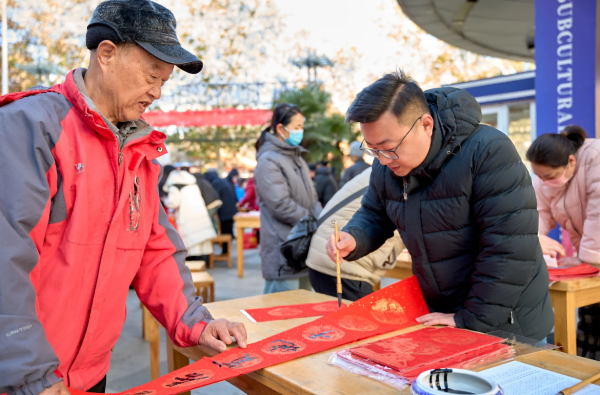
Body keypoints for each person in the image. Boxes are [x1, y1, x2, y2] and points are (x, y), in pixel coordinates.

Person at [0, 1, 247, 393]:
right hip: (24, 377)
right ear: (107, 53)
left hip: (88, 373)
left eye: (164, 81)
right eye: (153, 75)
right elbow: (4, 261)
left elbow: (155, 251)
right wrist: (30, 375)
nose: (157, 92)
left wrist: (196, 322)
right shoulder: (31, 127)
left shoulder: (139, 151)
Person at [326, 70, 553, 341]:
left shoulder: (487, 151)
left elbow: (508, 249)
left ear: (426, 124)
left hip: (507, 320)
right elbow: (375, 213)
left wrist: (470, 319)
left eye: (389, 147)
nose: (383, 160)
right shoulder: (386, 166)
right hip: (443, 314)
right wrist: (354, 237)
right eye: (372, 150)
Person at [527, 125, 600, 358]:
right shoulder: (543, 179)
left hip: (592, 256)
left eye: (548, 176)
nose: (543, 181)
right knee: (590, 324)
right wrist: (534, 239)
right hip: (591, 258)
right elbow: (538, 213)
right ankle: (585, 378)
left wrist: (587, 261)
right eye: (538, 176)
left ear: (571, 161)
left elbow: (598, 215)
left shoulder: (595, 159)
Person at [307, 167, 404, 301]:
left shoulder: (382, 172)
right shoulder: (396, 173)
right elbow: (375, 216)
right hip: (343, 267)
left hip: (330, 258)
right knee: (365, 319)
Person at [254, 103, 319, 293]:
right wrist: (312, 221)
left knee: (305, 309)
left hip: (304, 244)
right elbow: (281, 205)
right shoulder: (268, 160)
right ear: (280, 128)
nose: (301, 131)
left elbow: (313, 198)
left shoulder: (297, 158)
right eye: (297, 127)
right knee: (280, 311)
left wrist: (322, 220)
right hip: (284, 247)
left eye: (302, 127)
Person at [163, 169, 217, 263]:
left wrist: (164, 200)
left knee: (190, 242)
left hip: (186, 215)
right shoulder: (192, 185)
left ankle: (193, 264)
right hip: (199, 214)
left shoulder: (175, 187)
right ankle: (204, 263)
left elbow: (172, 203)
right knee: (201, 239)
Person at [204, 169, 238, 252]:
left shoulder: (216, 183)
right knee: (228, 231)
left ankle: (226, 251)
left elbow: (215, 197)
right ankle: (226, 251)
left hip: (225, 211)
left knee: (226, 231)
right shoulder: (219, 181)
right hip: (229, 209)